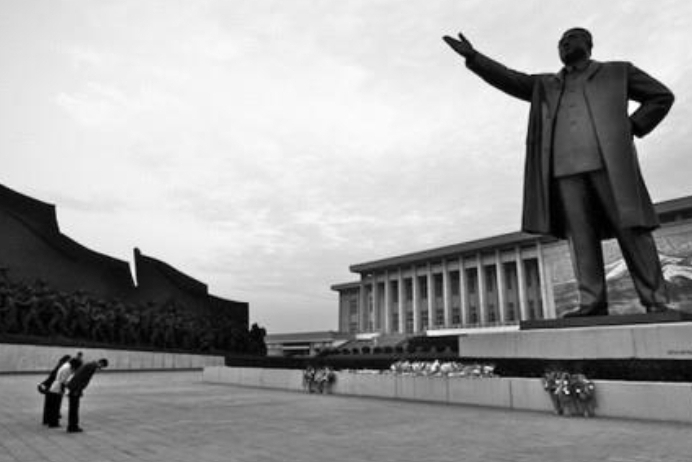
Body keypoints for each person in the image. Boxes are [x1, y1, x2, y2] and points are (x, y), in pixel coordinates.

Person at [443, 28, 674, 317]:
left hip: (610, 165)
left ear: (588, 44)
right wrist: (475, 58)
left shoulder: (617, 72)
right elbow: (510, 78)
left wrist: (633, 125)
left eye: (570, 39)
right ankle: (591, 302)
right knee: (581, 238)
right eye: (560, 42)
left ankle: (655, 299)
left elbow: (661, 96)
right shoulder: (547, 85)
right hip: (564, 171)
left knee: (632, 230)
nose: (564, 44)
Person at [64, 358, 108, 433]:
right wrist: (77, 390)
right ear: (101, 363)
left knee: (73, 408)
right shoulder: (91, 367)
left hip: (74, 387)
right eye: (101, 366)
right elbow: (81, 378)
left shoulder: (89, 364)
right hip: (75, 389)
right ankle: (73, 427)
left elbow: (80, 376)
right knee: (74, 408)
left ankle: (72, 426)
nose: (100, 368)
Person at [39, 354, 71, 425]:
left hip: (50, 386)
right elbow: (60, 379)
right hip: (54, 387)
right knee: (54, 404)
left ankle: (46, 419)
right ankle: (52, 419)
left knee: (49, 404)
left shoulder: (59, 366)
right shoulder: (62, 367)